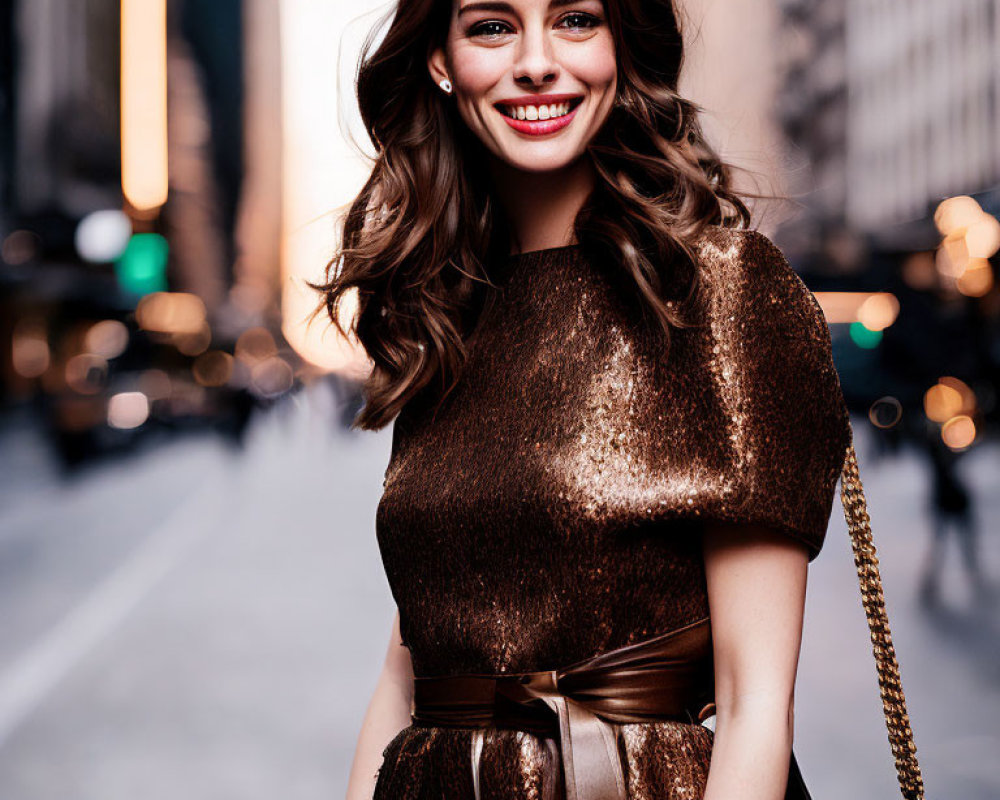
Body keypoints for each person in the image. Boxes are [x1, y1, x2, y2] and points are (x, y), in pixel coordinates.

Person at [316, 0, 852, 798]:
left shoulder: (720, 290)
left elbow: (756, 706)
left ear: (621, 47)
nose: (536, 61)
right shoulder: (446, 310)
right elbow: (402, 685)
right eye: (492, 26)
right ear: (440, 60)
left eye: (575, 19)